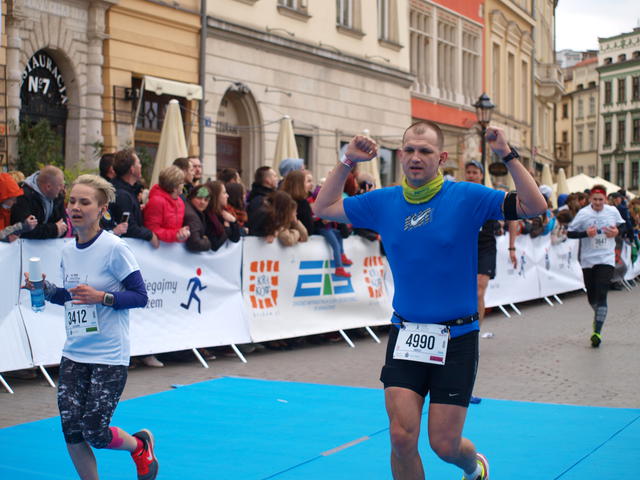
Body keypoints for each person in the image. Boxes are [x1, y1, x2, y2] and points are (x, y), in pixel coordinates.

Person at [313, 121, 546, 480]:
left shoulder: (466, 196)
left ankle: (474, 466)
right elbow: (324, 206)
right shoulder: (383, 202)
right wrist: (348, 160)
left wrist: (505, 153)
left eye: (425, 151)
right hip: (407, 335)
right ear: (400, 155)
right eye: (409, 150)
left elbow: (533, 205)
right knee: (401, 438)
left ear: (442, 158)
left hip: (457, 338)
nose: (416, 157)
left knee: (444, 445)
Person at [22, 174, 157, 480]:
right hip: (74, 353)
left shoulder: (115, 248)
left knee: (95, 431)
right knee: (71, 430)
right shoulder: (68, 251)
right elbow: (71, 298)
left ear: (101, 209)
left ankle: (139, 446)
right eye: (72, 201)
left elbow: (140, 296)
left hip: (109, 355)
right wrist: (44, 289)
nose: (75, 207)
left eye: (84, 202)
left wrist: (103, 297)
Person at [567, 185, 625, 348]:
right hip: (588, 260)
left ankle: (597, 332)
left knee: (602, 292)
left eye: (601, 199)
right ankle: (598, 317)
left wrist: (617, 232)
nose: (598, 202)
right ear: (590, 199)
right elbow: (570, 233)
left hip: (606, 259)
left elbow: (623, 226)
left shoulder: (612, 211)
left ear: (605, 199)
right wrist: (585, 233)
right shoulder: (583, 213)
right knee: (592, 297)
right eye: (595, 199)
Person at [464, 160, 500, 331]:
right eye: (468, 172)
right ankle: (464, 331)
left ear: (481, 175)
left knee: (479, 291)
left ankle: (475, 332)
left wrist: (512, 247)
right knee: (464, 292)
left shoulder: (489, 195)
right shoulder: (459, 195)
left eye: (475, 172)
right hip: (464, 248)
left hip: (485, 248)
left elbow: (512, 218)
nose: (471, 175)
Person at [110, 149, 159, 248]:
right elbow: (129, 227)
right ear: (132, 169)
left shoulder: (128, 190)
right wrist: (150, 235)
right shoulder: (123, 195)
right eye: (138, 163)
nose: (141, 166)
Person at [11, 165, 68, 239]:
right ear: (48, 187)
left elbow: (63, 227)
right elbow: (23, 231)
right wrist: (54, 229)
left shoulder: (57, 196)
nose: (62, 189)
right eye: (60, 185)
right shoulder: (23, 196)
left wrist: (54, 229)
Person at [143, 166, 191, 244]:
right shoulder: (156, 202)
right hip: (156, 248)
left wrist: (182, 232)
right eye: (182, 182)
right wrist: (176, 235)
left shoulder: (180, 202)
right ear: (175, 187)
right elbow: (152, 229)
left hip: (171, 247)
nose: (183, 185)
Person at [204, 180, 241, 251]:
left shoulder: (223, 213)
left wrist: (233, 221)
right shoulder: (208, 216)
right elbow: (214, 245)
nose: (227, 195)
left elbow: (235, 238)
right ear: (216, 196)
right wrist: (227, 229)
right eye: (224, 193)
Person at [0, 172, 37, 241]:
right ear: (3, 198)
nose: (15, 202)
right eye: (12, 199)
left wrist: (23, 226)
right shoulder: (5, 209)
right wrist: (21, 226)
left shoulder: (6, 210)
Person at [183, 185, 212, 252]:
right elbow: (194, 243)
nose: (202, 202)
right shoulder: (192, 216)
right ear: (191, 197)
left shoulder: (191, 209)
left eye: (206, 200)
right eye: (199, 198)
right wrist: (207, 242)